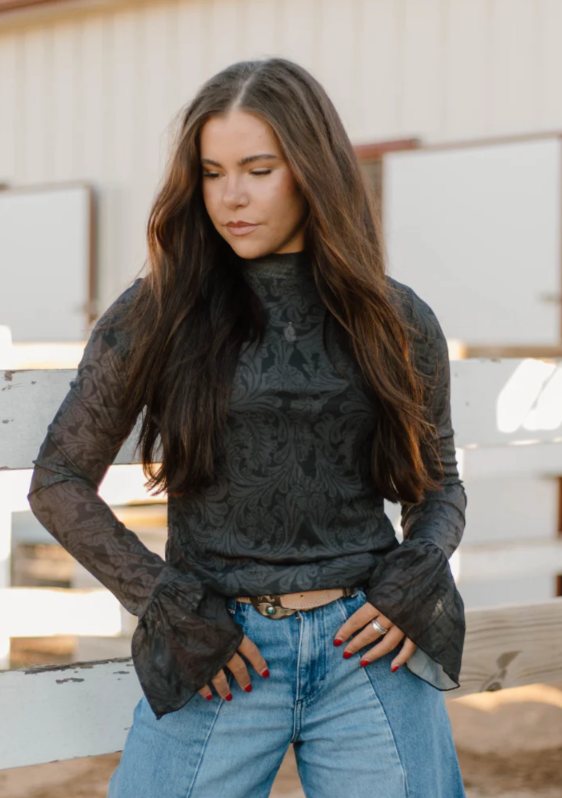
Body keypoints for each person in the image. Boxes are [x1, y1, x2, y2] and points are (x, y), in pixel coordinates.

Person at [27, 57, 467, 798]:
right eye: (212, 171)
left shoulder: (396, 317)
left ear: (312, 169)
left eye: (258, 169)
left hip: (369, 646)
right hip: (221, 653)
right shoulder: (157, 310)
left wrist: (413, 580)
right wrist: (166, 603)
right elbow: (59, 479)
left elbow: (440, 482)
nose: (231, 196)